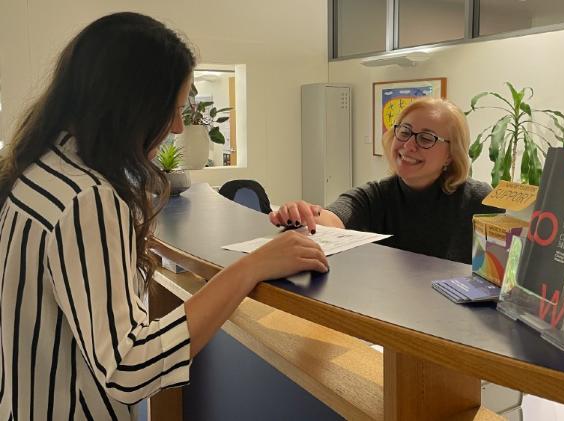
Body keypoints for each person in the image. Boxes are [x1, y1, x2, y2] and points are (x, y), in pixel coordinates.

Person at [0, 13, 327, 420]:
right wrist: (250, 268)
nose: (175, 126)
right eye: (171, 109)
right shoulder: (89, 198)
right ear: (128, 103)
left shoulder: (36, 170)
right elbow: (130, 367)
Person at [269, 97, 497, 264]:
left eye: (426, 138)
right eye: (405, 132)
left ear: (451, 154)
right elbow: (333, 218)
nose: (408, 145)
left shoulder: (480, 200)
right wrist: (305, 214)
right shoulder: (374, 196)